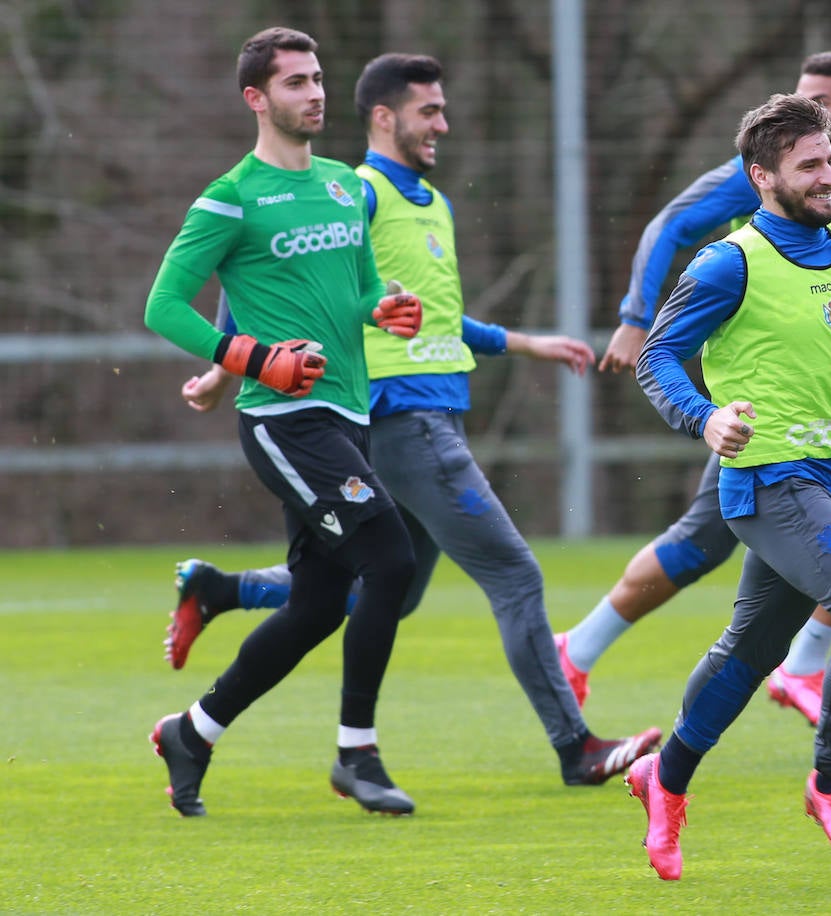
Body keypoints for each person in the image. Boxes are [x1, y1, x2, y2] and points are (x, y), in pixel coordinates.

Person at [162, 53, 663, 788]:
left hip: (416, 413)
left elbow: (429, 317)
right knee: (512, 574)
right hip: (399, 417)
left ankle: (220, 599)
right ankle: (573, 747)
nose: (444, 125)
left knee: (374, 587)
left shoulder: (426, 203)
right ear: (385, 117)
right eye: (430, 111)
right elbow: (259, 272)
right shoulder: (353, 189)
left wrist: (525, 344)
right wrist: (225, 365)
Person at [624, 92, 831, 880]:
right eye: (810, 166)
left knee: (751, 650)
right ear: (762, 177)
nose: (830, 178)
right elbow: (657, 358)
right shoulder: (729, 261)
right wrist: (704, 419)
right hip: (768, 481)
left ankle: (663, 777)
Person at [559, 50, 831, 724]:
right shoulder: (764, 174)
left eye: (821, 97)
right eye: (799, 92)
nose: (805, 105)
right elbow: (669, 226)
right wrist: (636, 321)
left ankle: (595, 657)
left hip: (822, 413)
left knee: (740, 541)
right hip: (758, 405)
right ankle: (797, 671)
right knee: (721, 540)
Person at [143, 27, 424, 817]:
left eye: (318, 78)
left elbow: (358, 290)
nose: (315, 93)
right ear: (257, 99)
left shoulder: (340, 184)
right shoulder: (229, 197)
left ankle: (192, 731)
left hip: (346, 411)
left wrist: (386, 309)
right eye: (296, 83)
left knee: (314, 605)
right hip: (283, 419)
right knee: (392, 560)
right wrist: (249, 358)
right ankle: (357, 754)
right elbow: (162, 306)